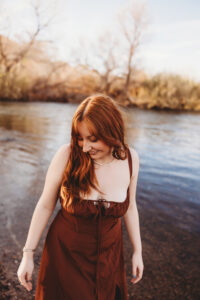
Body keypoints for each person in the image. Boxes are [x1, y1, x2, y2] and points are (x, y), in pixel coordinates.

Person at [17, 94, 143, 300]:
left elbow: (130, 207)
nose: (85, 147)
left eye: (93, 139)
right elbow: (45, 206)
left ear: (112, 132)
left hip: (109, 257)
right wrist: (28, 253)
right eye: (80, 138)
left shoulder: (131, 159)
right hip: (65, 255)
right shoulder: (67, 155)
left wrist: (137, 251)